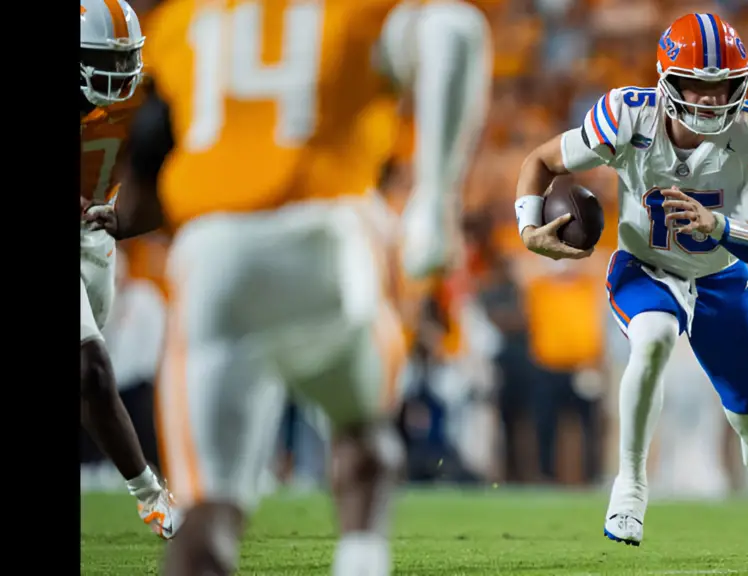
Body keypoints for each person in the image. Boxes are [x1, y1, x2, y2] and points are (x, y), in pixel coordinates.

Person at [86, 0, 490, 574]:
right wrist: (436, 196)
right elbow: (455, 28)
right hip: (327, 239)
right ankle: (361, 554)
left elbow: (152, 149)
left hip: (215, 254)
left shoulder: (181, 22)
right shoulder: (348, 12)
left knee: (210, 509)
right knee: (361, 429)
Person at [514, 12, 748, 556]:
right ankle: (630, 484)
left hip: (721, 276)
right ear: (668, 81)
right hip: (645, 266)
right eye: (696, 85)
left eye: (719, 84)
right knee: (652, 338)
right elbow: (540, 160)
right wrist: (528, 227)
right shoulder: (627, 118)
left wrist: (720, 227)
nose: (708, 98)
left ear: (738, 82)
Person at [79, 0, 178, 539]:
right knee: (91, 367)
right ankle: (152, 498)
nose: (118, 75)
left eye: (125, 61)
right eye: (102, 59)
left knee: (88, 385)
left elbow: (170, 193)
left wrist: (124, 220)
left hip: (95, 240)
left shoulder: (148, 100)